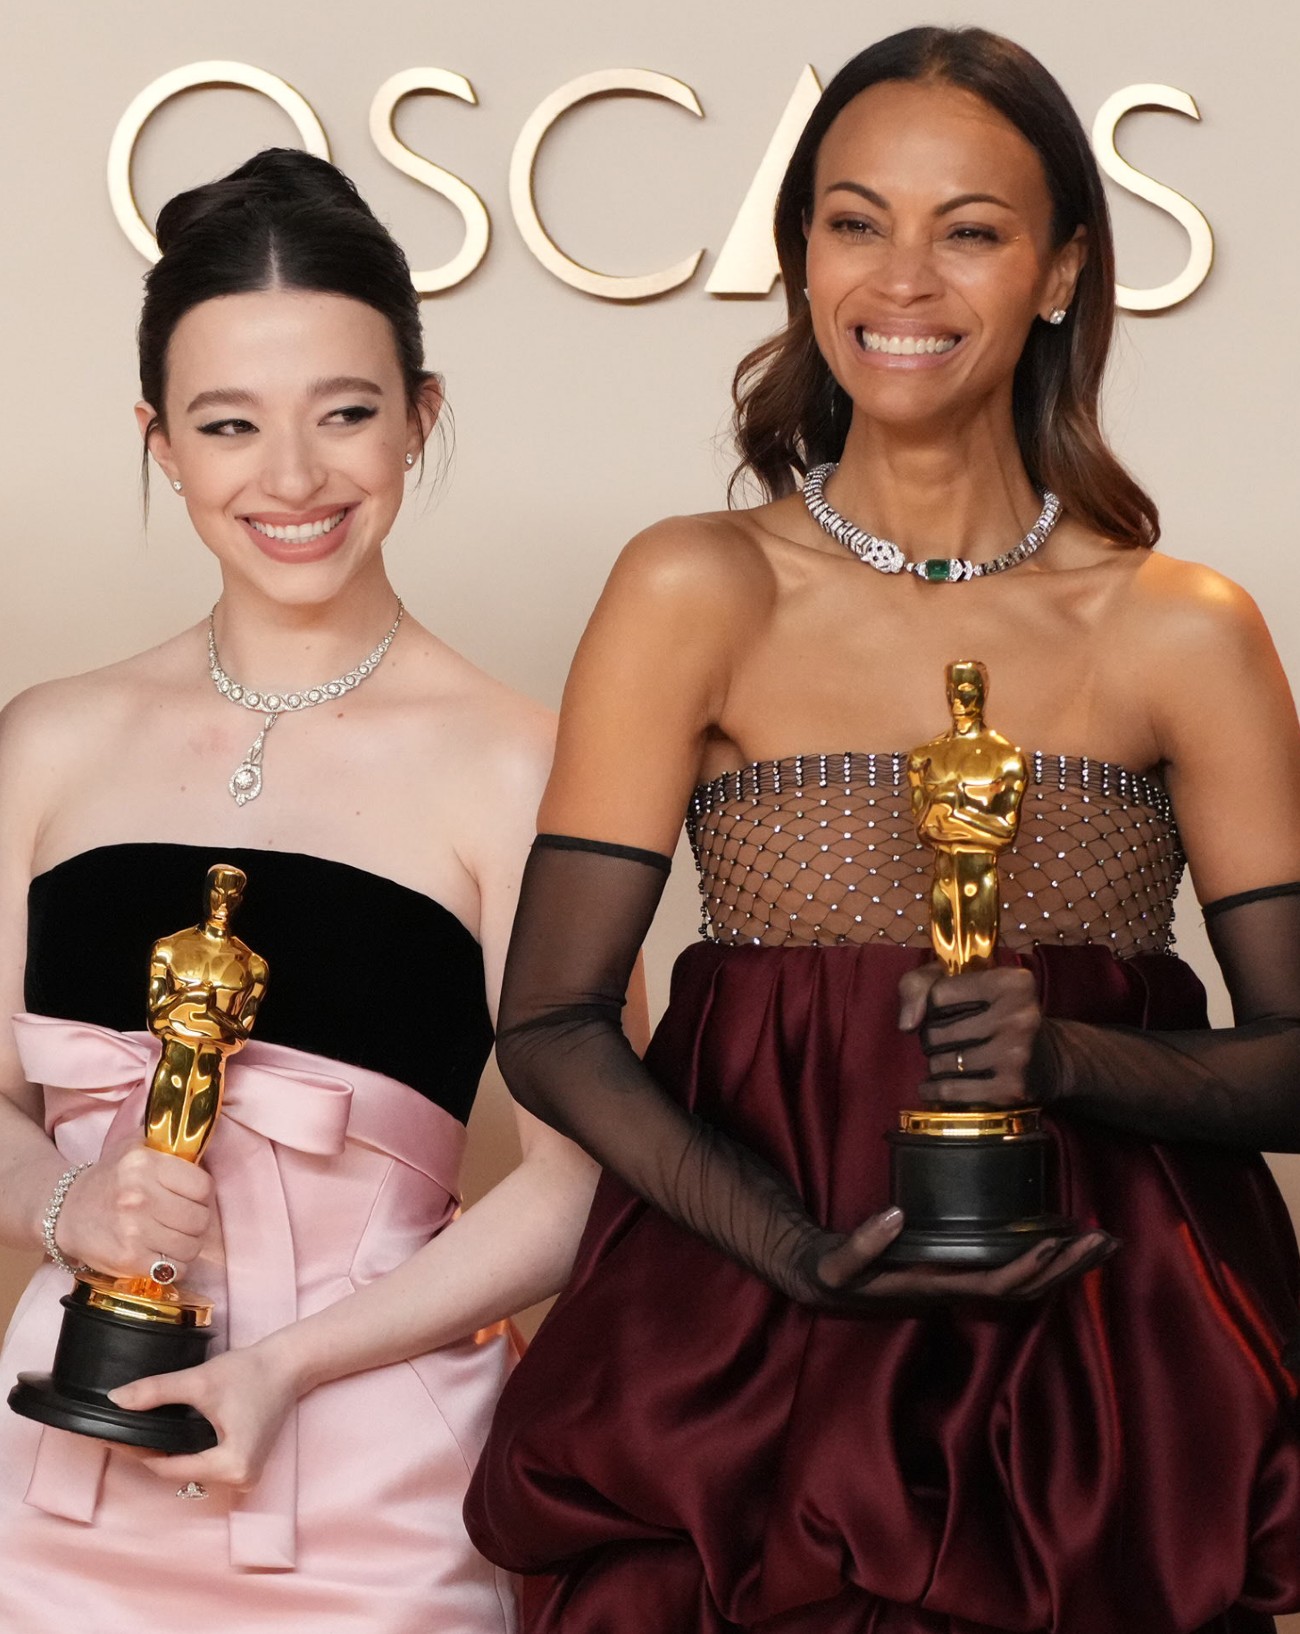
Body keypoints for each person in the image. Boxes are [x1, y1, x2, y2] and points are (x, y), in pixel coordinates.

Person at [463, 27, 1300, 1634]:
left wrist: (1067, 1060)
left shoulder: (1184, 627)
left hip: (1104, 1385)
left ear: (1060, 270)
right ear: (799, 256)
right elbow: (552, 1020)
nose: (900, 278)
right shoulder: (692, 585)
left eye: (968, 229)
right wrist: (786, 1248)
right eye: (856, 221)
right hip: (743, 1360)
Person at [0, 148, 601, 1632]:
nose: (291, 479)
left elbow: (580, 1182)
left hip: (379, 1479)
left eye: (345, 414)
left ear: (421, 418)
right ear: (159, 442)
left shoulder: (529, 765)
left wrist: (290, 1363)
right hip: (53, 1467)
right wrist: (76, 1206)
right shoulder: (49, 738)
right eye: (227, 425)